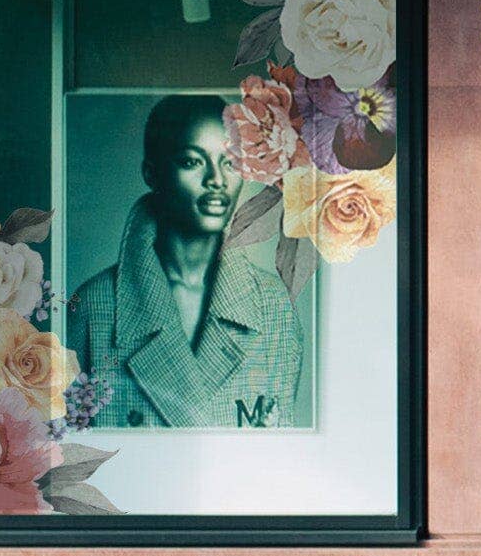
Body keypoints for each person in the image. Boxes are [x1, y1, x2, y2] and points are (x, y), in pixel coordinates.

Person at [66, 95, 304, 430]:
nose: (216, 181)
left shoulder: (273, 305)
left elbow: (284, 461)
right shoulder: (93, 305)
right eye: (193, 162)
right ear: (152, 173)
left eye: (230, 162)